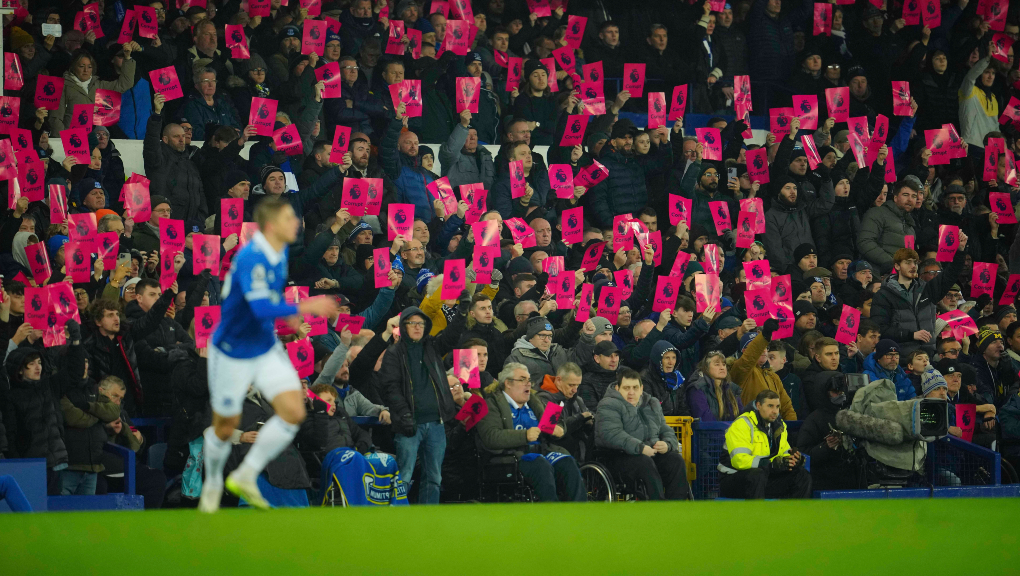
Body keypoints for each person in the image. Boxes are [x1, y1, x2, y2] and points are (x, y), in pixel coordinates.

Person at [198, 198, 339, 513]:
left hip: (262, 345)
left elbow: (269, 301)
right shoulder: (252, 256)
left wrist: (289, 325)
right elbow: (260, 306)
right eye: (290, 217)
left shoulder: (279, 253)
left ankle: (247, 475)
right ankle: (212, 483)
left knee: (293, 411)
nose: (297, 223)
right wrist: (307, 306)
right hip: (232, 348)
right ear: (272, 224)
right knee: (224, 426)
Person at [378, 307, 464, 504]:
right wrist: (404, 414)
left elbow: (450, 337)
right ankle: (397, 514)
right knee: (404, 476)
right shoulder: (394, 353)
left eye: (421, 323)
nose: (417, 327)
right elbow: (390, 388)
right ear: (403, 326)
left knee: (434, 477)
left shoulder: (431, 346)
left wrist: (462, 314)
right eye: (412, 323)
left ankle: (428, 518)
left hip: (436, 423)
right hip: (410, 425)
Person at [476, 363, 586, 502]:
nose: (528, 384)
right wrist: (524, 435)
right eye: (522, 380)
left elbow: (554, 422)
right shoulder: (490, 404)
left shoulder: (535, 401)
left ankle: (580, 513)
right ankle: (553, 514)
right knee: (540, 464)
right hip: (512, 456)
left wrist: (558, 428)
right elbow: (491, 437)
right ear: (508, 383)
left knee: (567, 462)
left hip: (542, 450)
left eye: (529, 380)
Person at [594, 368, 691, 501]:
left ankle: (675, 510)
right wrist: (640, 448)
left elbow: (665, 429)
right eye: (626, 388)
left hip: (650, 454)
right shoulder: (608, 404)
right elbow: (611, 434)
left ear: (641, 388)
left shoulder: (652, 403)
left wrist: (667, 444)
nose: (631, 392)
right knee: (644, 462)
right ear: (617, 388)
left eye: (635, 387)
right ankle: (657, 509)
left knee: (675, 461)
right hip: (618, 457)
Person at [871, 239, 967, 358]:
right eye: (908, 262)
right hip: (900, 359)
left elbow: (950, 274)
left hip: (927, 358)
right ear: (897, 266)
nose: (913, 266)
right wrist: (912, 335)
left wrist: (960, 251)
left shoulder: (927, 290)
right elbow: (881, 329)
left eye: (915, 263)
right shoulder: (883, 295)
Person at [718, 390, 812, 499]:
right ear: (758, 405)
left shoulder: (779, 426)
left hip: (764, 477)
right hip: (733, 479)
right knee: (757, 475)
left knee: (801, 475)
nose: (775, 411)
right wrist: (770, 464)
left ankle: (794, 515)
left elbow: (783, 454)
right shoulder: (742, 424)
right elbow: (739, 461)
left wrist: (792, 461)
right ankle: (757, 515)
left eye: (777, 407)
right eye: (770, 406)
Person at [731, 321, 797, 420]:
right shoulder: (740, 370)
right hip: (749, 430)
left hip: (771, 430)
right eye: (759, 347)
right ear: (745, 351)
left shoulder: (773, 376)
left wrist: (790, 430)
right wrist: (764, 336)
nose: (764, 350)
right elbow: (747, 360)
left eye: (765, 347)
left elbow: (786, 407)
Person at [536, 362, 593, 461]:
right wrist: (580, 418)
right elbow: (553, 431)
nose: (575, 390)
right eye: (571, 385)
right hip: (554, 450)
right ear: (558, 380)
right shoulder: (546, 398)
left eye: (577, 385)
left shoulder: (577, 399)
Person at [686, 350, 742, 422]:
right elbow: (705, 420)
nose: (722, 368)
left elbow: (740, 416)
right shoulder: (697, 388)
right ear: (706, 367)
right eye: (717, 364)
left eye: (724, 364)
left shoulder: (733, 388)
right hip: (708, 432)